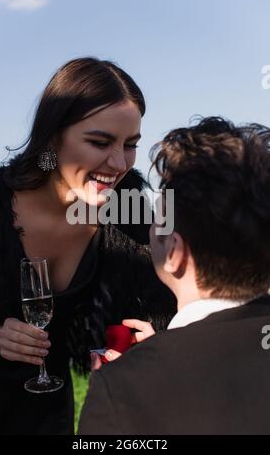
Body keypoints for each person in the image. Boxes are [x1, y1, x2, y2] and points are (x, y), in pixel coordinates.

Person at [0, 57, 175, 435]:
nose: (118, 163)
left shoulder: (129, 214)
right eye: (99, 142)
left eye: (130, 145)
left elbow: (171, 306)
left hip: (54, 421)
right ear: (52, 136)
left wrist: (157, 342)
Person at [78, 117, 270, 435]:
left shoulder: (124, 391)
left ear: (174, 253)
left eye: (159, 219)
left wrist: (152, 366)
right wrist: (171, 349)